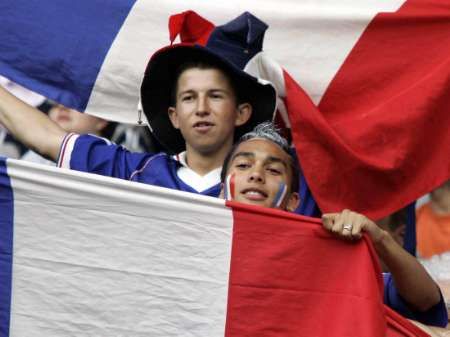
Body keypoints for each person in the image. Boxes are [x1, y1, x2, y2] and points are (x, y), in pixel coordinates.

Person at [0, 12, 276, 196]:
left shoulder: (271, 186)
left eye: (215, 96)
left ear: (242, 113)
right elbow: (47, 138)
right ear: (174, 116)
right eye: (188, 98)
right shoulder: (132, 173)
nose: (201, 108)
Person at [220, 122, 448, 327]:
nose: (256, 174)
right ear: (221, 191)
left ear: (293, 202)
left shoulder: (325, 259)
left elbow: (426, 301)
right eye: (243, 165)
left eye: (273, 170)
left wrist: (379, 238)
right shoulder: (190, 248)